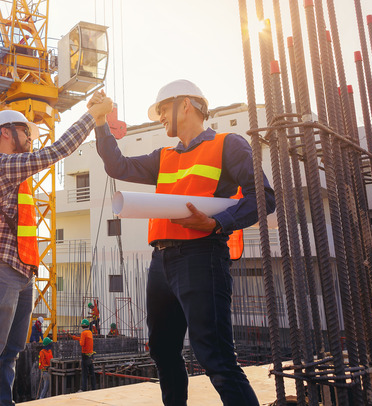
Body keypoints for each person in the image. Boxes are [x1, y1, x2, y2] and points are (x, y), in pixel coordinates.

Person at [94, 79, 275, 405]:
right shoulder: (163, 156)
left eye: (163, 110)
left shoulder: (227, 145)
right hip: (161, 263)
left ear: (186, 105)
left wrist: (218, 222)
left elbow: (263, 197)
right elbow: (117, 165)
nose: (160, 117)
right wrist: (99, 124)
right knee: (163, 351)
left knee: (215, 357)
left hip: (201, 256)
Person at [0, 93, 113, 406]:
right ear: (6, 133)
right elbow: (57, 151)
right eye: (25, 132)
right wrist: (91, 116)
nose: (30, 137)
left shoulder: (17, 172)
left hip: (21, 271)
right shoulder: (4, 166)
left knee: (10, 353)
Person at [70, 319, 96, 391]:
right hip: (91, 356)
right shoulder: (90, 332)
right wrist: (74, 337)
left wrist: (78, 339)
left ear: (82, 326)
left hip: (85, 356)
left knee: (84, 374)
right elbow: (83, 340)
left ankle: (84, 389)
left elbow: (82, 343)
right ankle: (94, 388)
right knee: (92, 373)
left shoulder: (83, 333)